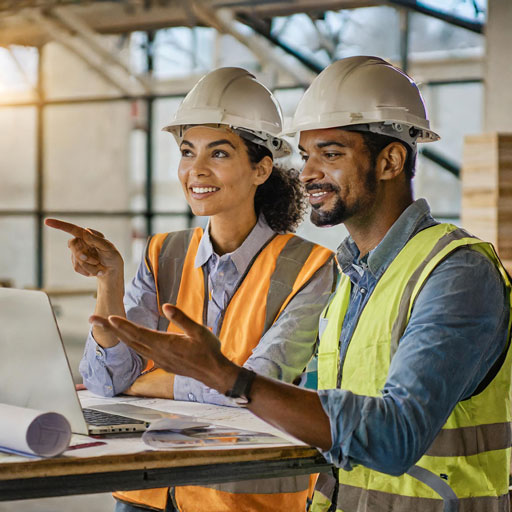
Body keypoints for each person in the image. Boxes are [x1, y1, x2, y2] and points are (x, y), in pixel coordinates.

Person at [91, 56, 512, 512]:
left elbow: (395, 436)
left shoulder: (455, 273)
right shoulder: (354, 278)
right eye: (307, 155)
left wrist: (226, 376)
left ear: (391, 160)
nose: (308, 172)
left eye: (330, 154)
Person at [46, 67, 334, 512]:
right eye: (186, 151)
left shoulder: (311, 268)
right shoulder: (163, 253)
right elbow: (105, 381)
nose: (195, 170)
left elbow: (257, 390)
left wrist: (149, 382)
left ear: (261, 169)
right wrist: (110, 283)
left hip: (242, 501)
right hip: (147, 494)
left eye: (218, 153)